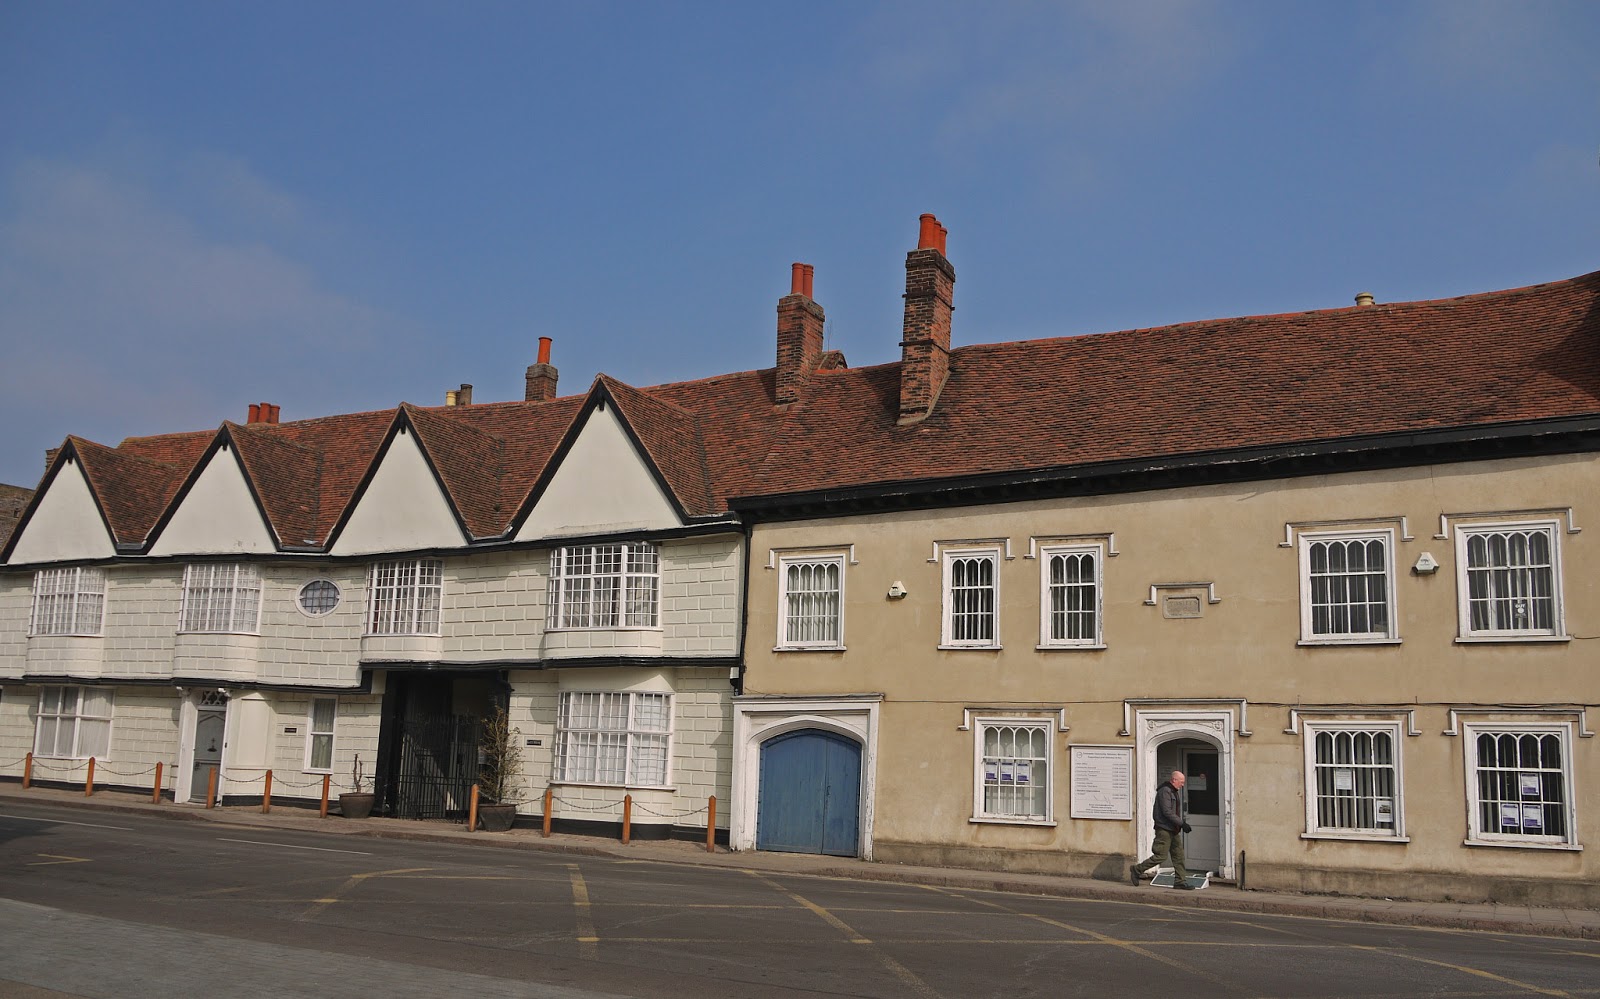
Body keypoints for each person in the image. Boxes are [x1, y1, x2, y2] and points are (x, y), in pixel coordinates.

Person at [1130, 770, 1194, 889]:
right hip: (1164, 829)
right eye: (1181, 782)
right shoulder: (1165, 791)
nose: (1183, 785)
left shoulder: (1173, 791)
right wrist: (1182, 823)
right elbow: (1167, 811)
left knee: (1179, 856)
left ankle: (1180, 881)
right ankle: (1137, 869)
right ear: (1174, 780)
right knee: (1161, 855)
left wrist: (1179, 825)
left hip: (1173, 829)